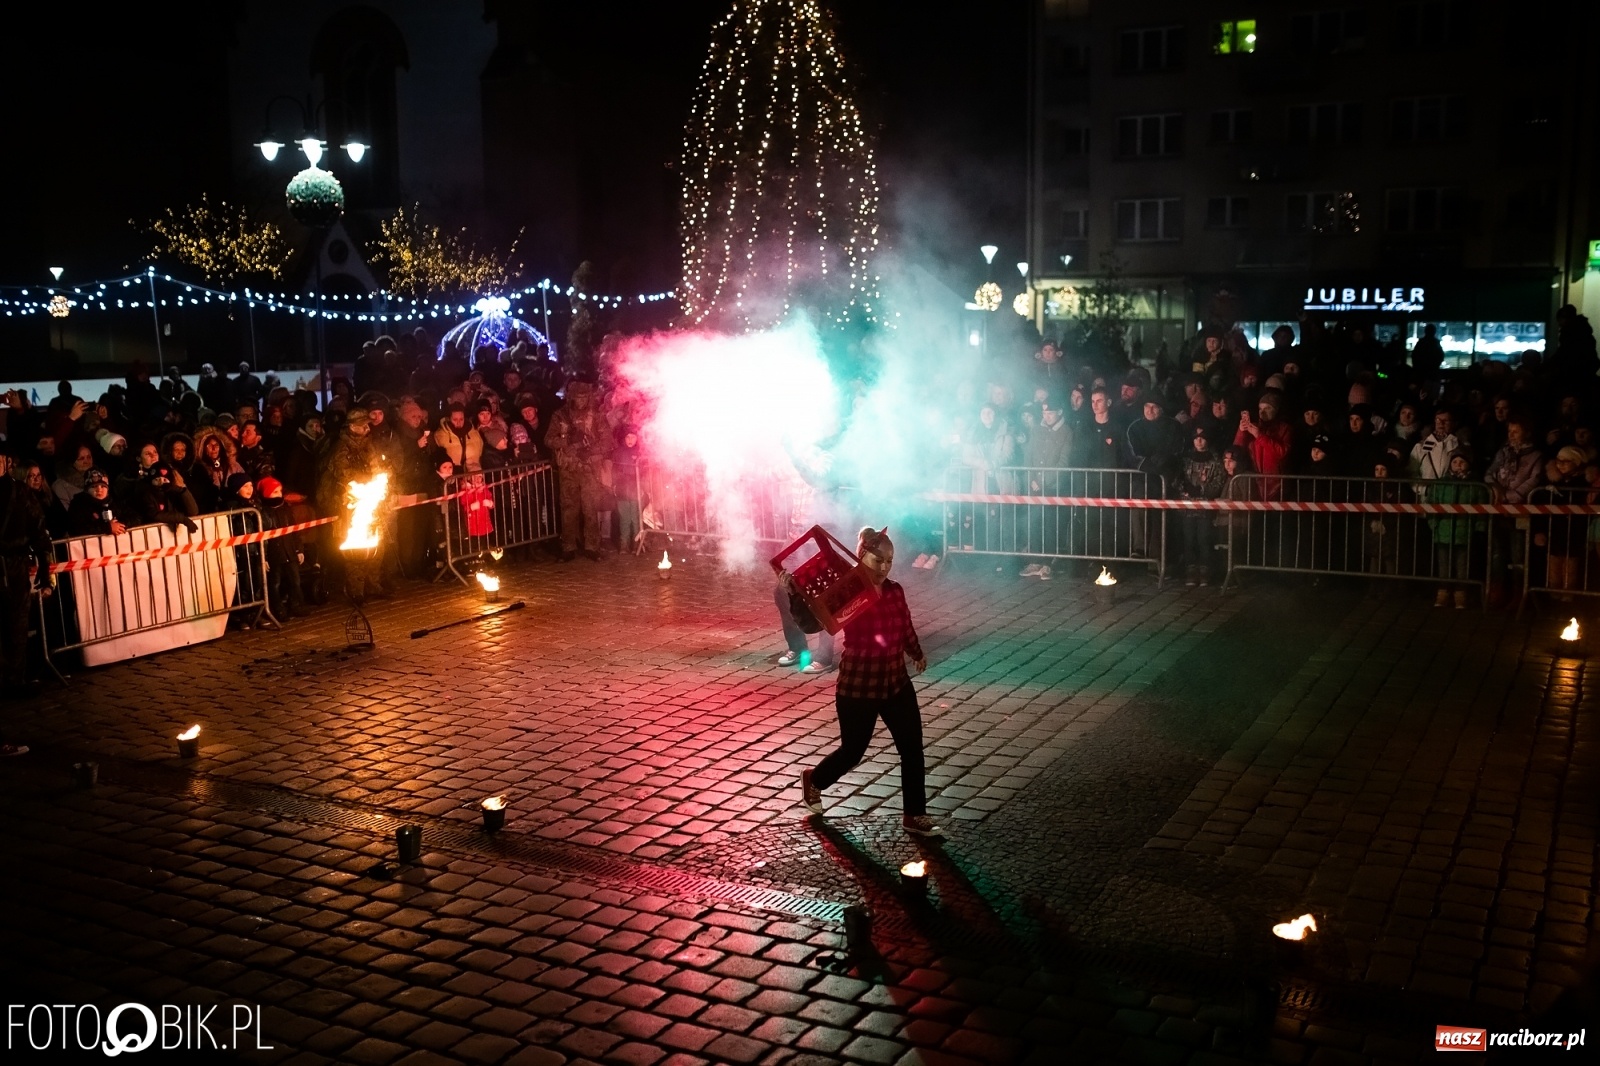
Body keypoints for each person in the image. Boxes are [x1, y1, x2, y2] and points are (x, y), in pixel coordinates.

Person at [799, 526, 940, 838]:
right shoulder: (849, 593)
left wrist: (915, 652)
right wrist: (795, 595)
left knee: (912, 749)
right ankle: (816, 780)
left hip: (895, 682)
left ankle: (915, 815)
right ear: (862, 557)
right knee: (853, 752)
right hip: (858, 686)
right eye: (879, 560)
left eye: (889, 561)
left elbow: (904, 625)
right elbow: (815, 621)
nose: (885, 567)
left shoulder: (895, 591)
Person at [0, 447, 54, 725]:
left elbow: (39, 529)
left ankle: (13, 679)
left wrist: (46, 572)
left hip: (15, 564)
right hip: (9, 562)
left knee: (17, 624)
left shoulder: (18, 492)